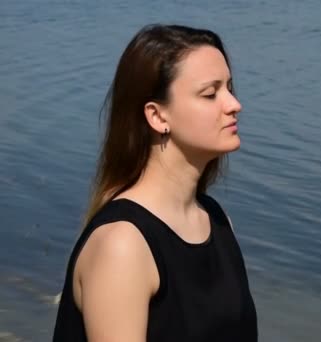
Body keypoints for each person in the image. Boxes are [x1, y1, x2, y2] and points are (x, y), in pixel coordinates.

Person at [52, 24, 257, 341]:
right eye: (210, 93)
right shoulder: (123, 245)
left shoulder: (216, 221)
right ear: (158, 116)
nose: (233, 104)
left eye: (230, 88)